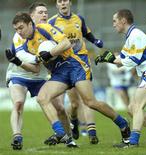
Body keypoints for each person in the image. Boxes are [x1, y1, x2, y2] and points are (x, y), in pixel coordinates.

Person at [11, 11, 131, 147]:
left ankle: (123, 123)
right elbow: (37, 69)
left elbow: (66, 43)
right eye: (16, 30)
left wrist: (49, 53)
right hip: (59, 73)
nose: (19, 32)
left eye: (21, 28)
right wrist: (18, 62)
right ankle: (60, 133)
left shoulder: (44, 28)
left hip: (74, 66)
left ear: (30, 24)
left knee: (90, 102)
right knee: (42, 98)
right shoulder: (28, 45)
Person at [6, 2, 75, 150]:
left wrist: (50, 54)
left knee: (60, 108)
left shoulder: (47, 29)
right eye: (40, 12)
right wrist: (40, 57)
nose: (44, 15)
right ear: (31, 18)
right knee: (18, 103)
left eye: (45, 12)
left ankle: (69, 138)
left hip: (38, 74)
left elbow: (61, 47)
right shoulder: (20, 33)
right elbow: (21, 55)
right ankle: (17, 136)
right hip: (19, 73)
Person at [95, 9, 146, 148]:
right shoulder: (130, 36)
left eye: (115, 21)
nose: (113, 25)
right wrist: (106, 59)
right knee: (131, 108)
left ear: (123, 21)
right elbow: (121, 60)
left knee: (137, 106)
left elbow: (132, 61)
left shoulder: (136, 35)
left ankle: (133, 142)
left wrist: (112, 59)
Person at [47, 0, 104, 144]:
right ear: (57, 5)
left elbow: (87, 33)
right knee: (74, 103)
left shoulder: (79, 19)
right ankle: (74, 120)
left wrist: (96, 41)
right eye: (60, 1)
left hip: (82, 62)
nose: (63, 3)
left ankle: (92, 132)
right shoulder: (52, 22)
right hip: (66, 66)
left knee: (87, 99)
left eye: (65, 0)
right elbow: (47, 43)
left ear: (70, 3)